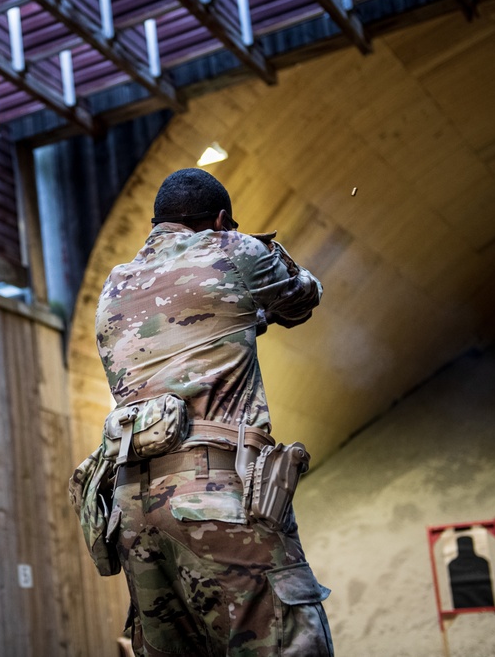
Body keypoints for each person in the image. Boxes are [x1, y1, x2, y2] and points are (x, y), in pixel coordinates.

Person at [94, 168, 333, 656]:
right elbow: (304, 294)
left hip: (132, 511)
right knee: (290, 644)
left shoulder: (114, 283)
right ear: (221, 220)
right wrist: (255, 290)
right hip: (212, 496)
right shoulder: (234, 250)